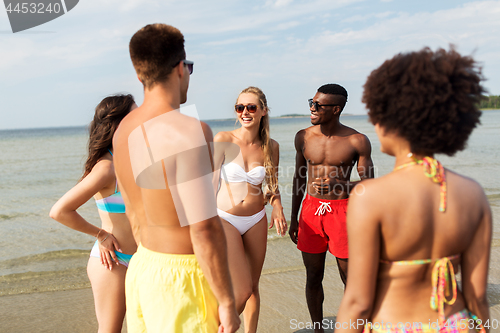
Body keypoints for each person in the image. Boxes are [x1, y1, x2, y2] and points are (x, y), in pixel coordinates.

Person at [336, 47, 491, 333]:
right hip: (456, 325)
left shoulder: (369, 197)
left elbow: (357, 301)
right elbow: (477, 295)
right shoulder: (474, 194)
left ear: (392, 120)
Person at [112, 24, 239, 333]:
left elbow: (132, 209)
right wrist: (226, 301)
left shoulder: (124, 130)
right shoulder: (189, 131)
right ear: (181, 68)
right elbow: (204, 228)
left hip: (143, 269)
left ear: (140, 73)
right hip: (182, 277)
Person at [289, 83, 374, 332]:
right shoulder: (302, 137)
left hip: (344, 212)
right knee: (313, 276)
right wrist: (294, 218)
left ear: (336, 109)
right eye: (311, 102)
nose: (312, 108)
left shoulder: (357, 140)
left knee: (350, 278)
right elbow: (298, 178)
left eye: (318, 105)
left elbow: (369, 183)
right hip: (311, 212)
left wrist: (341, 185)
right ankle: (318, 328)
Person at [50, 94, 138, 333]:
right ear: (118, 124)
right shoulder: (106, 168)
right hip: (113, 261)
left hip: (144, 261)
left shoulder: (133, 158)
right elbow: (60, 211)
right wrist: (100, 234)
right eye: (135, 114)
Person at [213, 86, 287, 332]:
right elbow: (210, 184)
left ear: (263, 111)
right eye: (240, 107)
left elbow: (272, 186)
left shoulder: (271, 147)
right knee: (241, 290)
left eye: (251, 107)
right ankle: (215, 328)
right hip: (225, 219)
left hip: (256, 219)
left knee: (253, 287)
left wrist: (277, 206)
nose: (245, 112)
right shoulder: (223, 139)